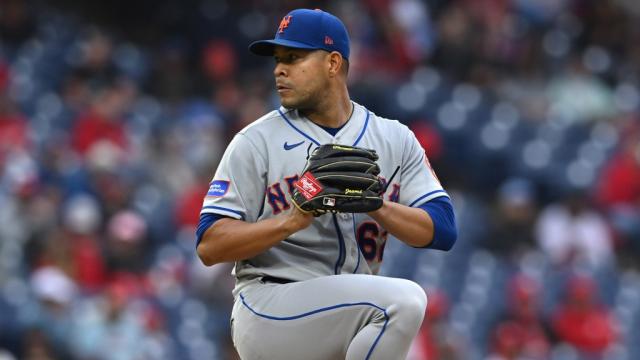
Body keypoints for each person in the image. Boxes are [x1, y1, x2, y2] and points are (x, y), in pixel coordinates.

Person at [196, 8, 457, 360]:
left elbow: (442, 229)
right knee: (403, 302)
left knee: (386, 311)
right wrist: (291, 219)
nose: (279, 69)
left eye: (294, 57)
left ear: (333, 64)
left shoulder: (394, 139)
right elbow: (209, 245)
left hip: (345, 316)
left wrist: (376, 205)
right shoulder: (255, 141)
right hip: (271, 307)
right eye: (277, 59)